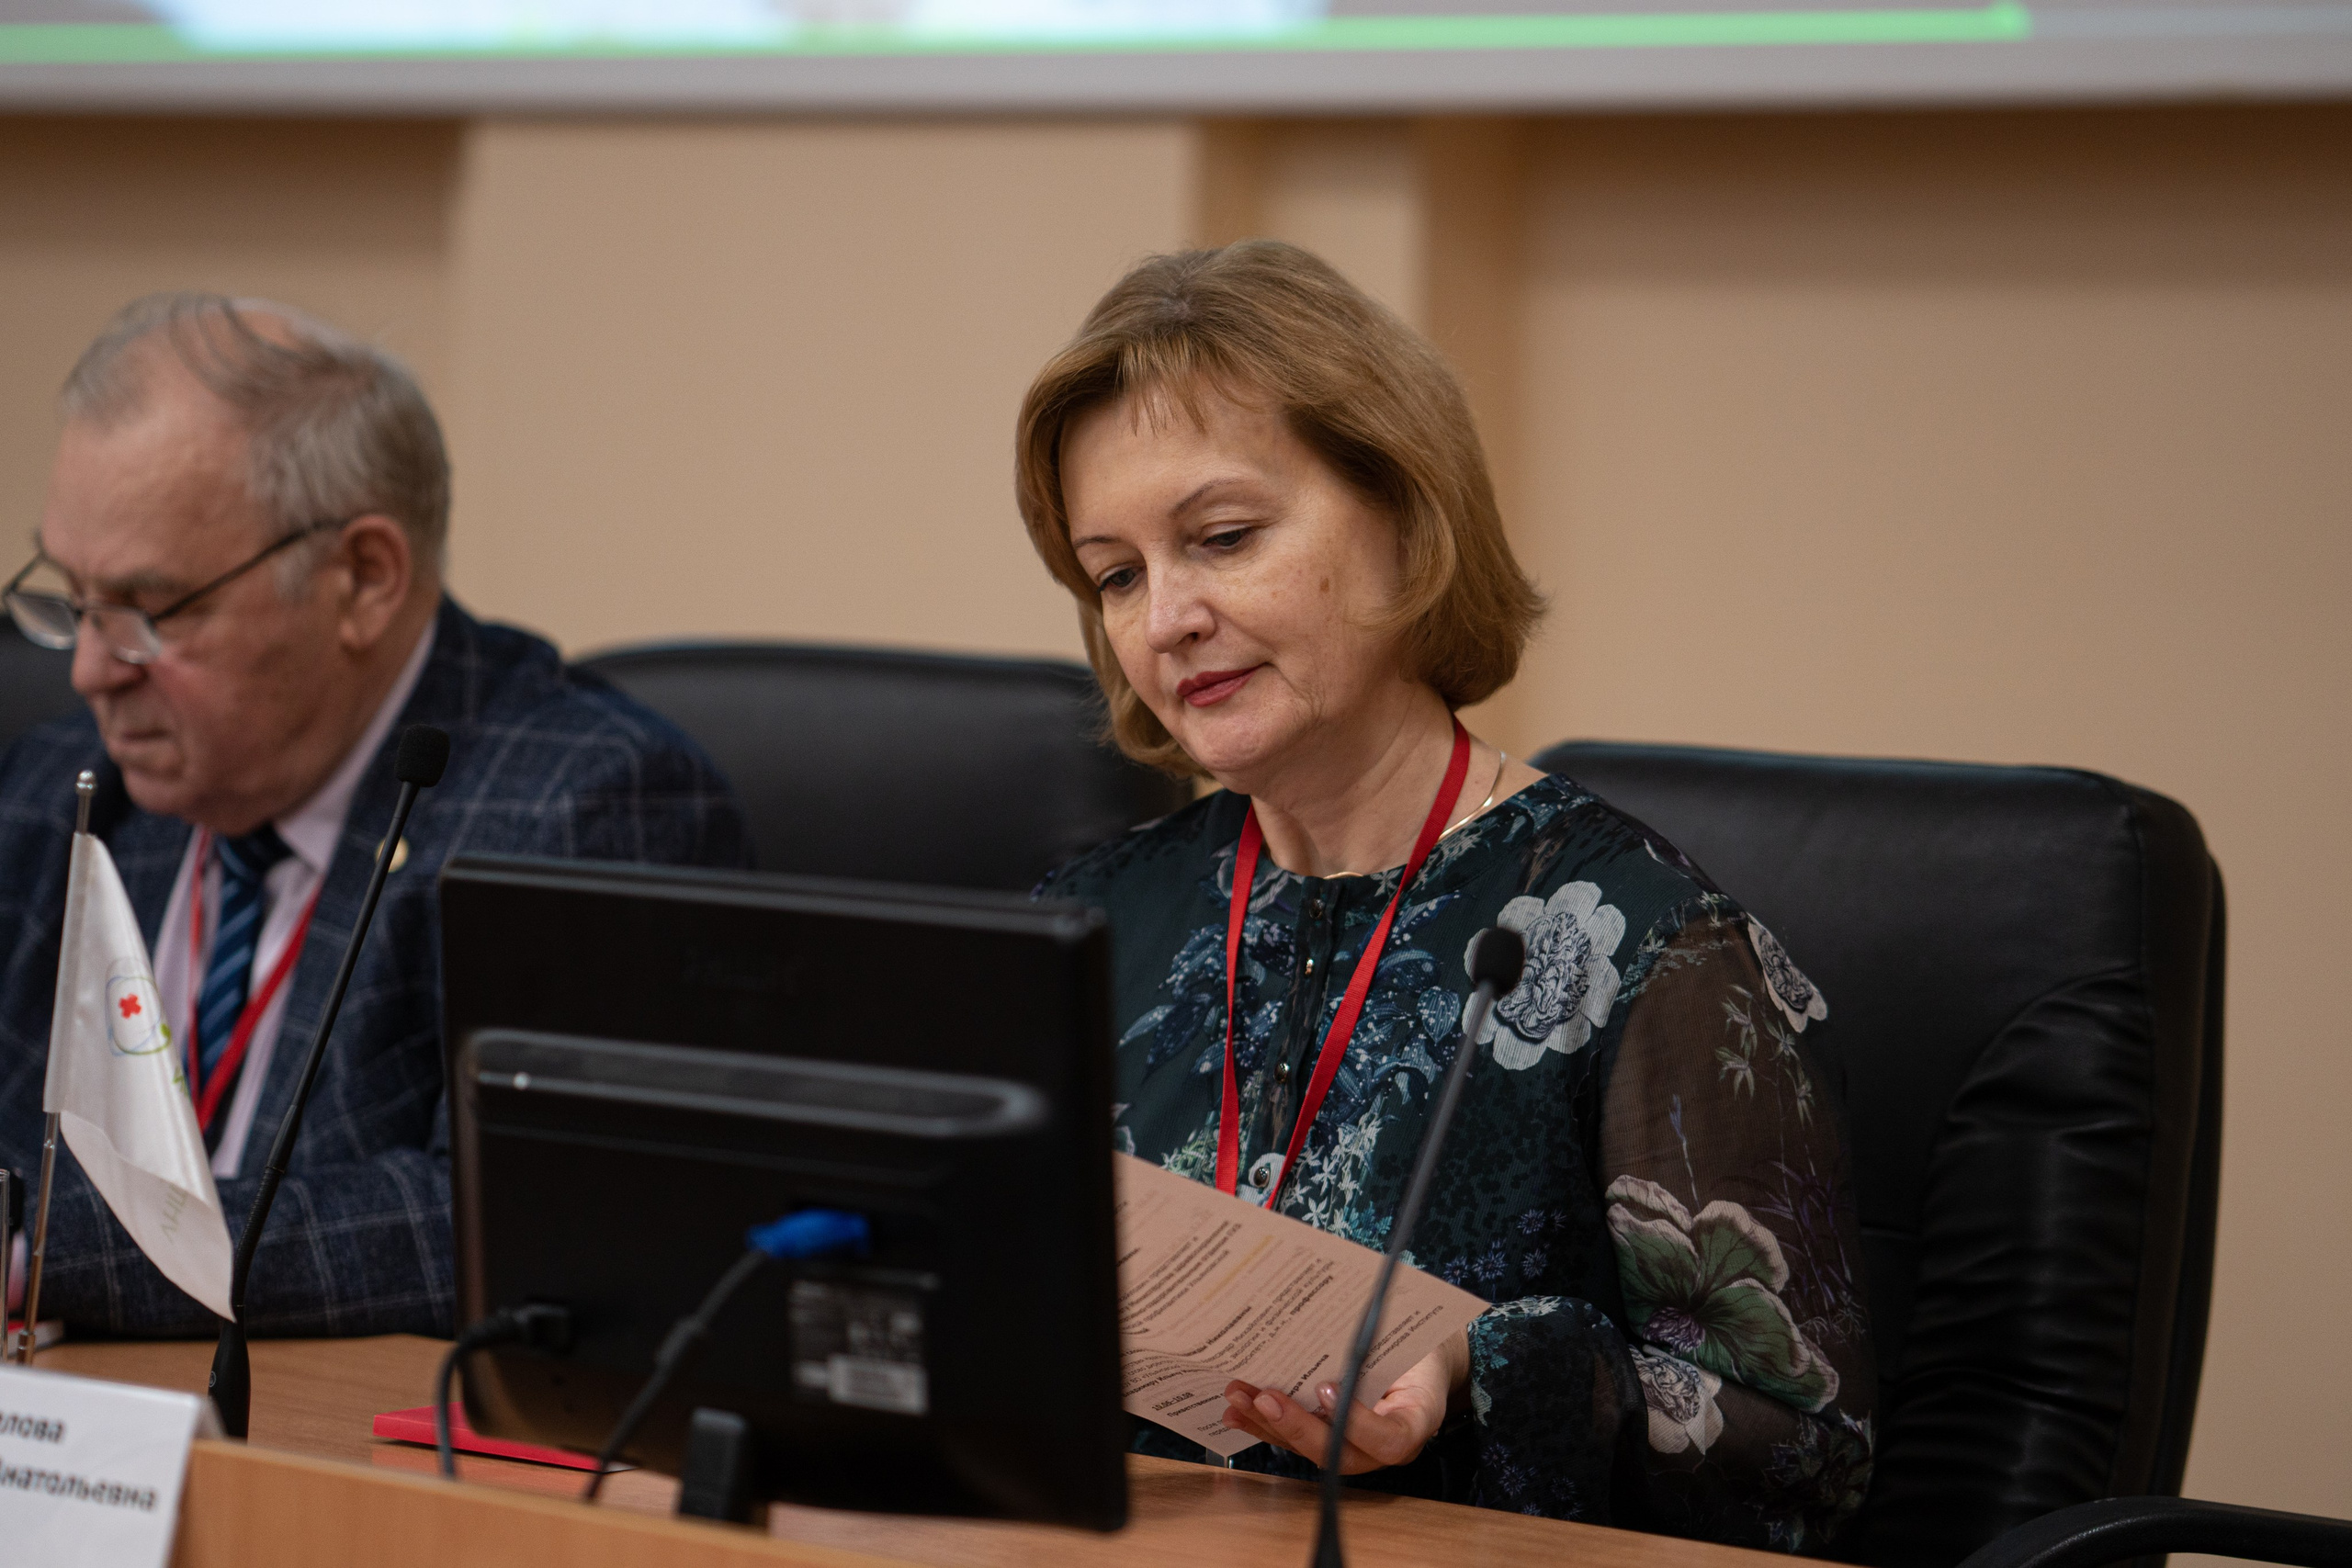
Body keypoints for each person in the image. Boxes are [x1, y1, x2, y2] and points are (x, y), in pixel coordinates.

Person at [1019, 243, 1875, 1551]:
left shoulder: (1649, 945)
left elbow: (1801, 1458)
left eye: (1223, 537)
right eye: (1117, 573)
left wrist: (1487, 1368)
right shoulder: (1079, 929)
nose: (1168, 617)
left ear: (1409, 517)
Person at [0, 293, 750, 1338]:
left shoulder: (587, 807)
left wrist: (34, 1248)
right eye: (72, 599)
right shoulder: (58, 790)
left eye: (148, 611)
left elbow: (507, 1226)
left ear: (363, 579)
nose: (87, 670)